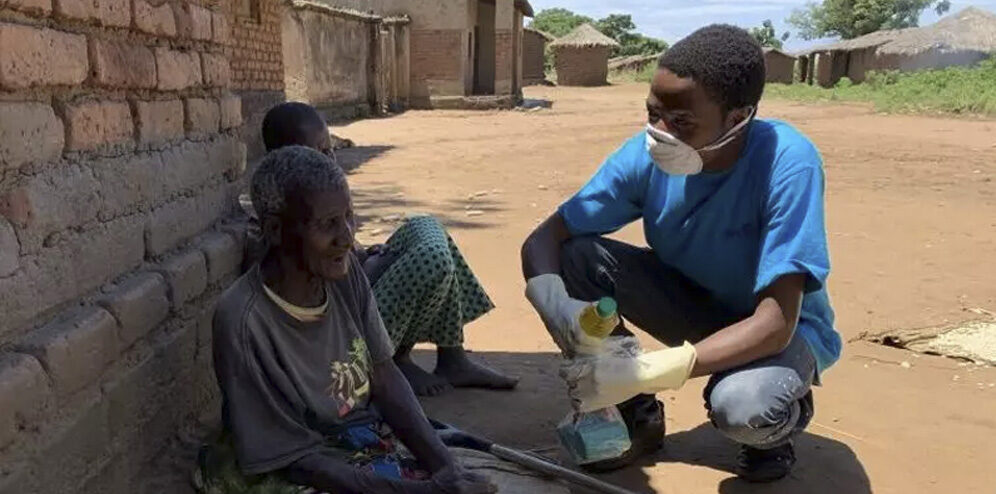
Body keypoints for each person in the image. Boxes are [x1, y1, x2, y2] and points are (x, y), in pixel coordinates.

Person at [521, 25, 841, 482]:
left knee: (744, 407)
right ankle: (636, 413)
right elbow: (546, 238)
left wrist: (648, 368)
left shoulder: (787, 162)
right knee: (575, 257)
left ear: (738, 117)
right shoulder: (644, 157)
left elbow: (775, 322)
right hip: (694, 304)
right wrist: (556, 306)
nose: (660, 132)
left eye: (682, 122)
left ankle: (776, 426)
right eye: (653, 113)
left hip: (774, 330)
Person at [210, 145, 497, 494]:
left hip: (354, 435)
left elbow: (383, 374)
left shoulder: (343, 276)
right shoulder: (242, 321)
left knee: (474, 468)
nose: (347, 238)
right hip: (296, 460)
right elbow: (297, 460)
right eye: (328, 224)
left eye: (349, 216)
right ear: (274, 230)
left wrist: (446, 467)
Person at [249, 102, 518, 396]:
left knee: (427, 228)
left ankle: (452, 356)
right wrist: (372, 264)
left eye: (330, 150)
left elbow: (344, 250)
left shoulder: (322, 192)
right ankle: (394, 358)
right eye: (319, 152)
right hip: (349, 325)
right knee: (430, 259)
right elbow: (331, 284)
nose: (330, 160)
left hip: (362, 283)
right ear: (286, 158)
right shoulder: (279, 219)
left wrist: (366, 254)